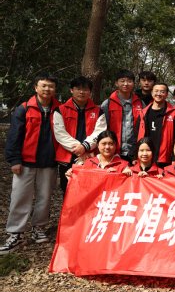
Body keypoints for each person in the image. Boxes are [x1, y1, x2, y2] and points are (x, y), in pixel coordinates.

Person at [1, 74, 60, 253]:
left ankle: (38, 228)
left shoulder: (59, 109)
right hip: (26, 162)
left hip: (49, 162)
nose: (47, 89)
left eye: (50, 86)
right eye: (44, 86)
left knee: (44, 197)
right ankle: (16, 233)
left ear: (55, 89)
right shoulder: (24, 108)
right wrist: (14, 159)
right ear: (36, 88)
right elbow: (14, 136)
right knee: (20, 197)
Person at [54, 76, 107, 194]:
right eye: (78, 89)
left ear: (90, 92)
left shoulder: (99, 111)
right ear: (71, 90)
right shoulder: (60, 110)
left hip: (91, 157)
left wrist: (85, 146)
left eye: (85, 89)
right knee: (67, 191)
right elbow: (60, 133)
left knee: (90, 192)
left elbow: (100, 131)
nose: (82, 92)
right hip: (67, 158)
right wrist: (80, 149)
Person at [101, 69, 144, 162]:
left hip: (134, 151)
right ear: (116, 83)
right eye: (122, 81)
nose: (126, 84)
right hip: (113, 151)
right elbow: (103, 128)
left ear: (133, 83)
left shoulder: (140, 103)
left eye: (129, 81)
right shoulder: (107, 104)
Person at [137, 82, 175, 167]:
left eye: (162, 92)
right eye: (156, 91)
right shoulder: (143, 113)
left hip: (165, 158)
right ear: (152, 93)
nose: (158, 94)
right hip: (145, 157)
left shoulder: (173, 113)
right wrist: (134, 155)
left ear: (167, 94)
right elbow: (135, 135)